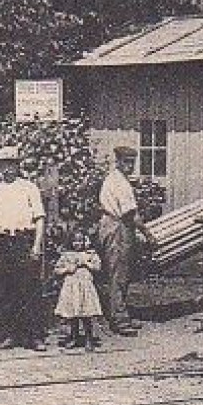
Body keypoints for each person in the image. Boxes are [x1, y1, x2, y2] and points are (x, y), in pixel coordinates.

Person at [0, 145, 47, 350]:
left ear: (18, 166)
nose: (7, 169)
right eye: (4, 165)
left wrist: (36, 245)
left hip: (23, 241)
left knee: (29, 289)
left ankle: (35, 336)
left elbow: (39, 218)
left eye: (11, 164)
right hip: (3, 242)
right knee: (7, 290)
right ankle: (11, 334)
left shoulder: (29, 188)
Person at [95, 146, 153, 337]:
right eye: (126, 162)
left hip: (112, 224)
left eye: (131, 163)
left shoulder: (115, 179)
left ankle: (121, 313)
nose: (129, 166)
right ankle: (119, 320)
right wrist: (148, 233)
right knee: (118, 274)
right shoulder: (119, 183)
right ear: (118, 162)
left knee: (120, 273)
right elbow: (131, 214)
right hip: (117, 227)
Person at [53, 231, 104, 352]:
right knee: (73, 315)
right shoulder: (67, 255)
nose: (78, 244)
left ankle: (88, 338)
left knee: (86, 315)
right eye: (75, 241)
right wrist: (67, 269)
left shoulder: (90, 254)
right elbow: (57, 270)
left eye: (80, 241)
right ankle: (74, 337)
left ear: (85, 241)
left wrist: (86, 264)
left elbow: (98, 267)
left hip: (85, 287)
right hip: (71, 288)